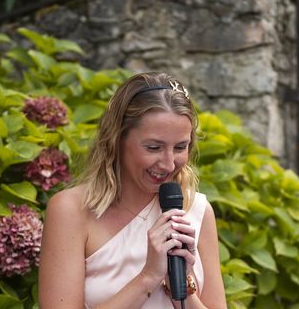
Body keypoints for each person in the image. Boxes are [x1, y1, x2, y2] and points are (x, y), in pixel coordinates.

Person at [39, 72, 227, 309]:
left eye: (180, 147)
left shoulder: (197, 211)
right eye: (153, 147)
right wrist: (148, 278)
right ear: (117, 140)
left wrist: (181, 287)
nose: (169, 164)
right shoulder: (71, 211)